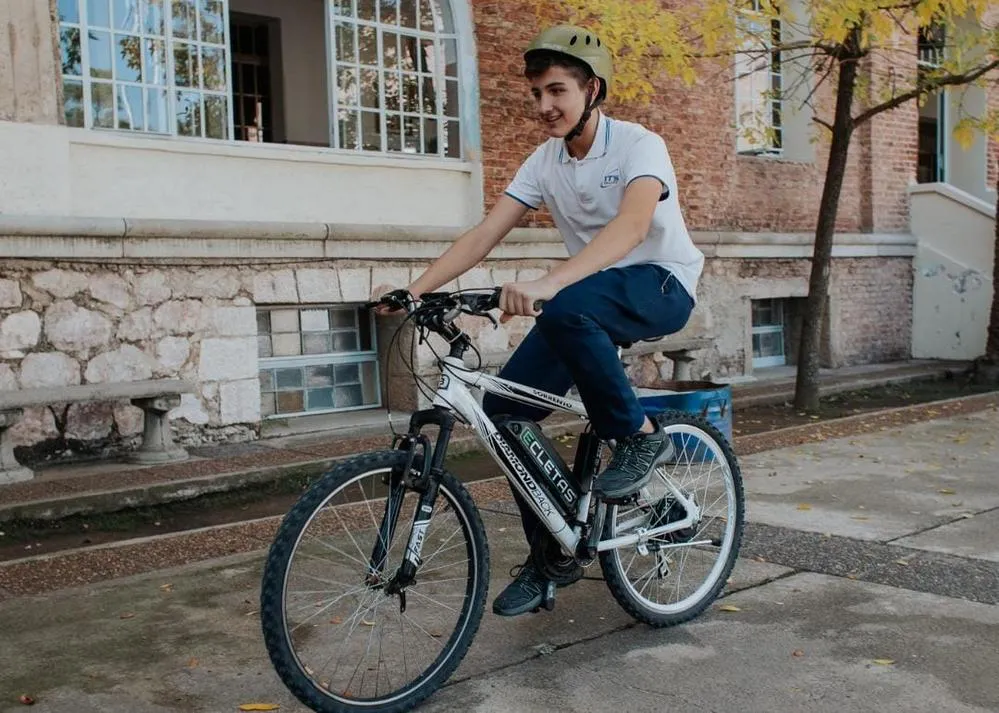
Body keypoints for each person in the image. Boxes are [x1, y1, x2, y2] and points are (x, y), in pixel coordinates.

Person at [373, 24, 704, 617]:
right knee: (505, 412)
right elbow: (484, 233)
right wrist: (416, 289)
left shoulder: (639, 145)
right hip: (586, 300)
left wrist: (551, 283)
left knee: (571, 304)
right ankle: (552, 554)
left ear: (591, 90)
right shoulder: (544, 161)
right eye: (536, 94)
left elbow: (631, 227)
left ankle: (640, 438)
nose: (544, 106)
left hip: (660, 283)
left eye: (557, 91)